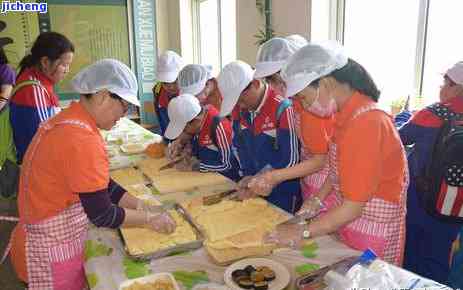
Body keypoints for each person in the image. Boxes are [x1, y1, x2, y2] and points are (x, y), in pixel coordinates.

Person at [8, 59, 176, 289]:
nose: (125, 114)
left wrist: (140, 204)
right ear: (103, 96)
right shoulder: (81, 139)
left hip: (43, 240)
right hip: (51, 251)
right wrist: (149, 220)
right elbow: (102, 215)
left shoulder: (70, 121)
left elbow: (101, 185)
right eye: (124, 105)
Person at [263, 42, 408, 266]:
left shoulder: (367, 123)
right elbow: (338, 171)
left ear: (326, 83)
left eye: (303, 97)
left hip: (373, 230)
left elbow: (353, 206)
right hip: (353, 223)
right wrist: (318, 199)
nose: (304, 105)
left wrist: (302, 232)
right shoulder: (346, 115)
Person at [399, 61, 463, 283]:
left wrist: (402, 117)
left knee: (411, 254)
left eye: (445, 82)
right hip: (455, 204)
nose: (441, 88)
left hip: (420, 199)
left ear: (454, 86)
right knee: (438, 258)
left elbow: (398, 139)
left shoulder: (433, 113)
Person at [251, 37, 330, 201]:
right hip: (309, 183)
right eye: (268, 81)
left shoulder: (310, 107)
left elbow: (320, 160)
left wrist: (274, 177)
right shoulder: (296, 103)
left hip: (325, 188)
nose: (271, 87)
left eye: (273, 80)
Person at [217, 61, 301, 213]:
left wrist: (262, 179)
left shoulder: (283, 109)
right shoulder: (239, 111)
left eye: (241, 100)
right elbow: (239, 146)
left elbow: (291, 160)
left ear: (255, 84)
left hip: (283, 193)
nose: (240, 105)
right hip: (254, 188)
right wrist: (248, 176)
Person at [9, 32, 74, 163]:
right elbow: (47, 140)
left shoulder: (39, 79)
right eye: (64, 65)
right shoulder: (33, 91)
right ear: (45, 62)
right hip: (35, 165)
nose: (67, 70)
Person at [164, 94, 240, 181]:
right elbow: (194, 138)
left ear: (195, 121)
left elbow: (227, 164)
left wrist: (196, 166)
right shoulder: (198, 118)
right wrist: (183, 145)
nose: (182, 132)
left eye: (183, 128)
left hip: (226, 180)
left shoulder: (219, 127)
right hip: (205, 176)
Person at [153, 50, 184, 137]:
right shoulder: (157, 90)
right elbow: (162, 121)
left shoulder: (190, 93)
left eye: (174, 81)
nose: (170, 87)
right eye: (165, 83)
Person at [0, 35, 17, 173]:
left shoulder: (5, 70)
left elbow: (5, 95)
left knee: (4, 153)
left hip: (3, 117)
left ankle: (8, 193)